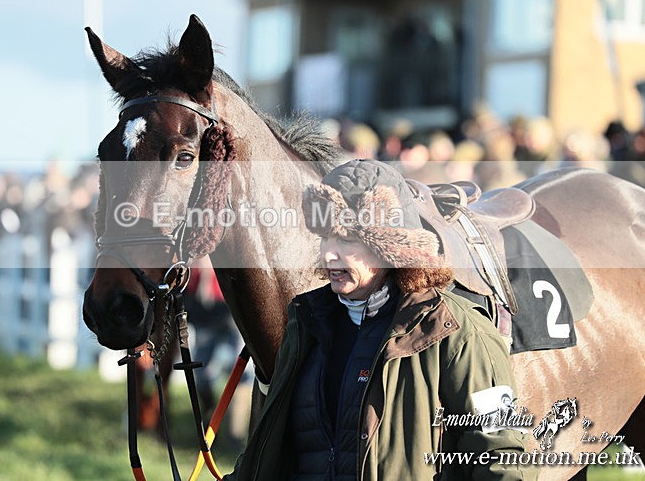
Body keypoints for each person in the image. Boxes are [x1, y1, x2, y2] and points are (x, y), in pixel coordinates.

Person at [225, 159, 533, 480]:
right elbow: (270, 449)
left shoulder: (458, 330)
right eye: (326, 237)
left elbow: (501, 453)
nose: (329, 254)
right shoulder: (305, 322)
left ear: (391, 248)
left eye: (346, 240)